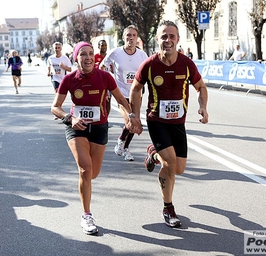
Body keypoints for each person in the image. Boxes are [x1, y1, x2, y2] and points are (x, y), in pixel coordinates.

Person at [128, 20, 209, 228]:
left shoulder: (187, 64)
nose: (168, 40)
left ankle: (153, 153)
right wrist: (134, 115)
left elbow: (201, 87)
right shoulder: (150, 64)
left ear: (178, 39)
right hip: (156, 121)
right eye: (164, 36)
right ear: (157, 39)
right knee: (170, 163)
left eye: (172, 36)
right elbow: (136, 89)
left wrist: (203, 107)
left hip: (178, 123)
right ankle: (168, 208)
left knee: (179, 168)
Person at [51, 42, 135, 235]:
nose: (88, 58)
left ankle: (85, 189)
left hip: (99, 127)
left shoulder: (105, 77)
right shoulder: (70, 79)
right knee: (84, 170)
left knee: (93, 173)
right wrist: (69, 118)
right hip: (76, 128)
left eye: (90, 54)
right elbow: (55, 106)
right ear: (76, 58)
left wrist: (131, 116)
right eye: (83, 54)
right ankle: (86, 215)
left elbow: (122, 100)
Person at [100, 25, 148, 161]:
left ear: (137, 38)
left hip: (137, 93)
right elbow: (101, 67)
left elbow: (147, 72)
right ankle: (124, 146)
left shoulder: (142, 55)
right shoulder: (115, 52)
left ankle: (123, 145)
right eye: (128, 35)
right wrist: (107, 85)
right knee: (130, 120)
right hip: (120, 93)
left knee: (136, 121)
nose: (131, 38)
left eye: (133, 35)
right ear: (123, 37)